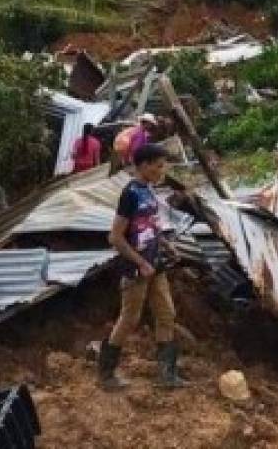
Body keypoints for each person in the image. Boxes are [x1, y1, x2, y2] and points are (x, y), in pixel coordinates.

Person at [99, 145, 185, 391]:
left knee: (166, 314)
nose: (162, 170)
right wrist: (141, 262)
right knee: (129, 319)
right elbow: (115, 237)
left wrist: (167, 246)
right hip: (136, 268)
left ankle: (167, 374)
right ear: (144, 165)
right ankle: (106, 374)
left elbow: (150, 226)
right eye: (158, 165)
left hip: (155, 264)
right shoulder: (130, 194)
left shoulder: (148, 190)